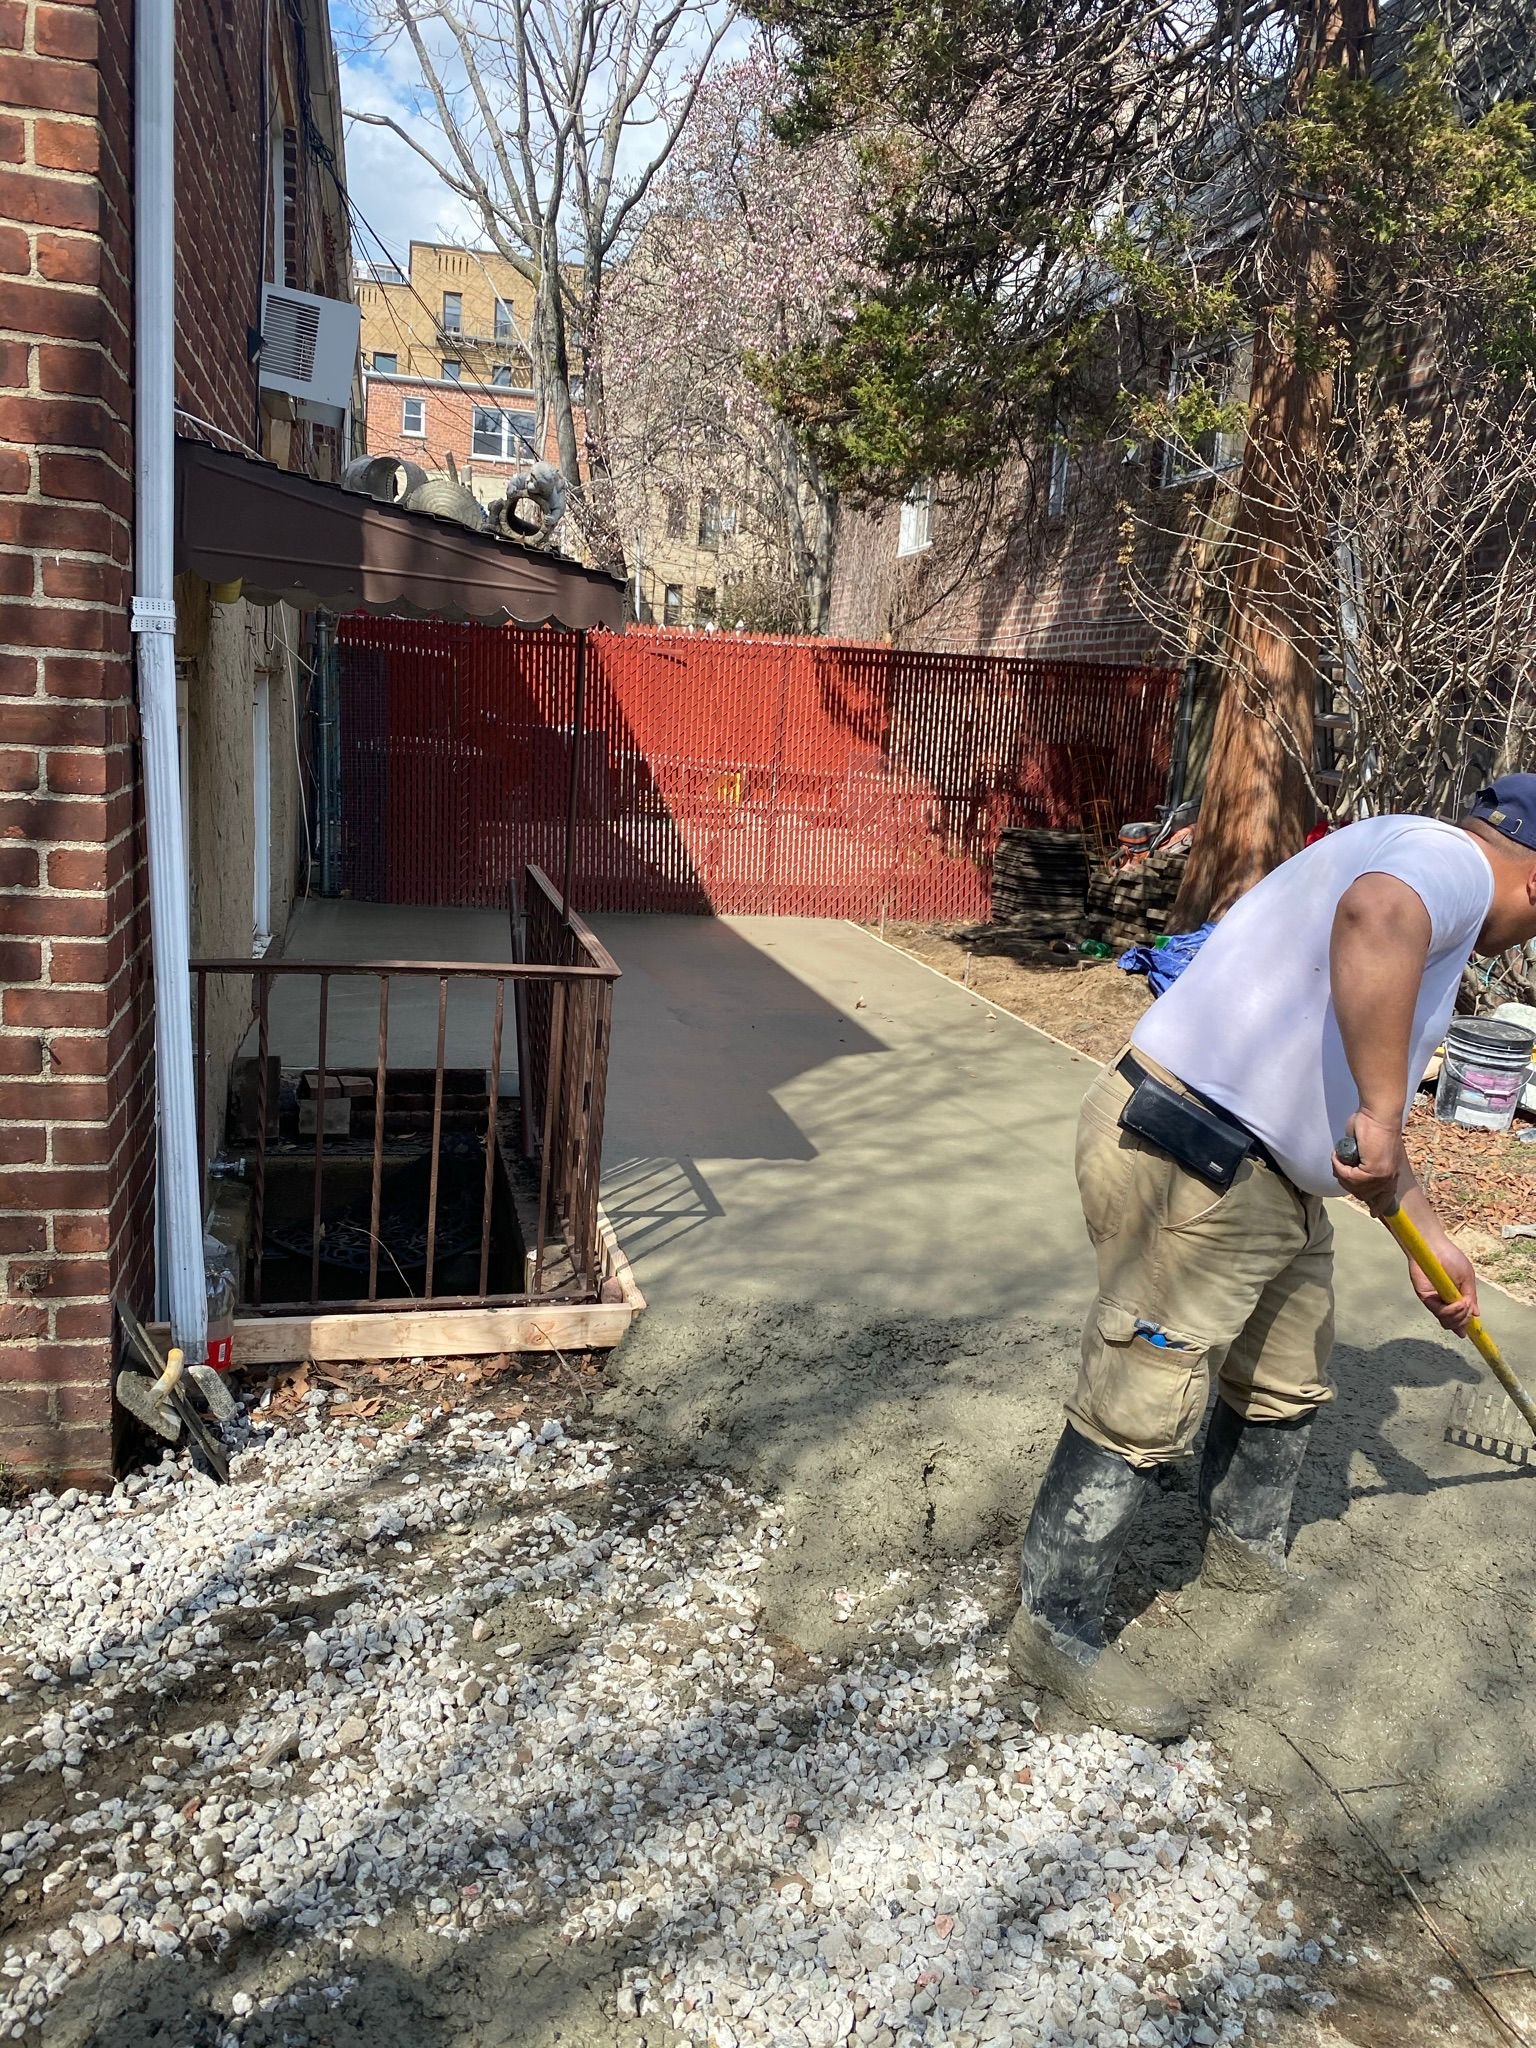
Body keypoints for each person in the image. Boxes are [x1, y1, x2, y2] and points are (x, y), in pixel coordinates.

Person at [1008, 780, 1536, 1741]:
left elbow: (1343, 1099)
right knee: (1147, 1389)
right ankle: (1053, 1622)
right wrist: (1380, 1113)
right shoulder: (1452, 868)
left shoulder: (1402, 843)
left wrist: (1427, 1231)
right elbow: (1376, 919)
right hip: (1193, 1151)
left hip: (1270, 1175)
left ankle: (1246, 1543)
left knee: (1291, 1367)